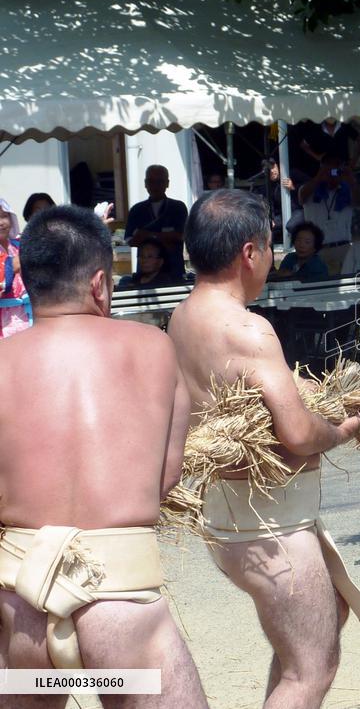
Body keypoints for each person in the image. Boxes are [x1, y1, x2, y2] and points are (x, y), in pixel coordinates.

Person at [168, 189, 360, 709]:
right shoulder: (249, 330)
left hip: (230, 512)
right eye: (270, 246)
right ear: (250, 253)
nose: (273, 258)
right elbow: (298, 434)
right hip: (271, 526)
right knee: (311, 670)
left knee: (329, 614)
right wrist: (342, 428)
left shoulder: (181, 317)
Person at [0, 206, 208, 706]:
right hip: (122, 614)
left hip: (19, 611)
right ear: (99, 284)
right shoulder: (152, 347)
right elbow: (167, 475)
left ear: (26, 278)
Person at [297, 154, 360, 274]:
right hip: (317, 249)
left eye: (336, 166)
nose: (332, 171)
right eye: (328, 166)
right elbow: (302, 197)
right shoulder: (310, 189)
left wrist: (351, 180)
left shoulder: (347, 189)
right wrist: (319, 177)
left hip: (343, 247)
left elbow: (359, 202)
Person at [125, 165, 189, 279]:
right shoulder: (137, 210)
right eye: (151, 181)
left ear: (167, 183)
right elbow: (130, 240)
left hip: (174, 271)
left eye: (159, 181)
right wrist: (165, 237)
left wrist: (148, 235)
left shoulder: (178, 208)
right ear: (145, 183)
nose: (155, 186)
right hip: (145, 274)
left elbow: (182, 236)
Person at [0, 210, 30, 337]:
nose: (1, 223)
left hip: (27, 313)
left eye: (4, 216)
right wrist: (11, 266)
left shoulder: (20, 245)